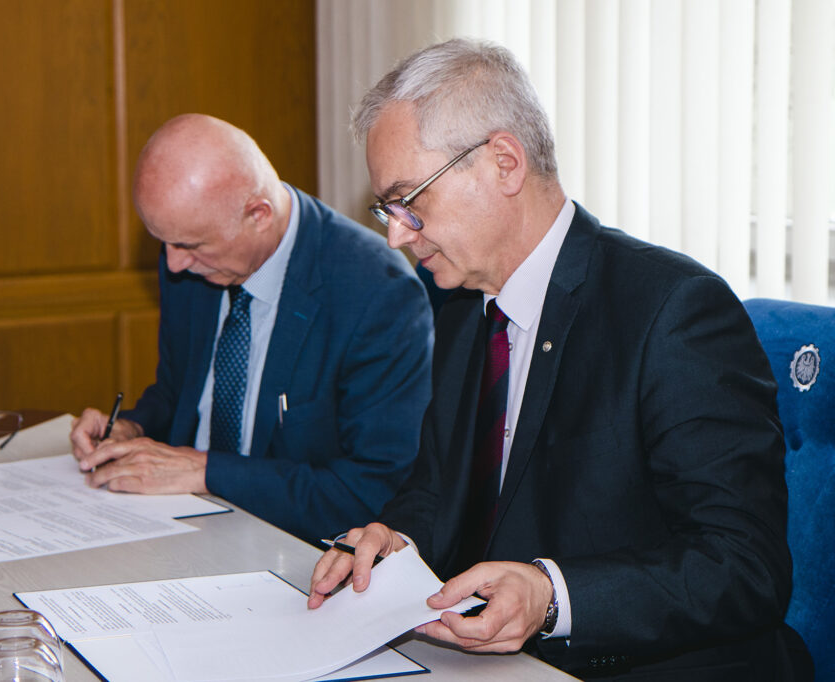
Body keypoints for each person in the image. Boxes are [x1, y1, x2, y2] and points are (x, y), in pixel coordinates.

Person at [308, 39, 810, 680]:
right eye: (387, 209)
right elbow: (439, 489)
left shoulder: (673, 310)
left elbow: (745, 567)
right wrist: (397, 541)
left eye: (411, 200)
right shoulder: (463, 306)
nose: (396, 234)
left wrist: (552, 597)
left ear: (505, 163)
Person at [69, 114, 434, 544]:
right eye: (163, 242)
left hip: (289, 547)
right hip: (171, 525)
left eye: (188, 245)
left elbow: (372, 492)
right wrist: (132, 428)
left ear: (258, 215)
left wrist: (206, 471)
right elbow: (178, 392)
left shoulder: (376, 292)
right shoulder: (192, 256)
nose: (173, 264)